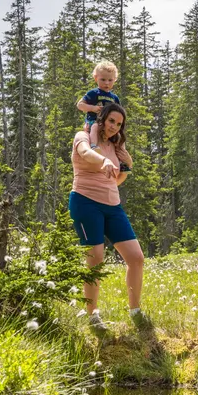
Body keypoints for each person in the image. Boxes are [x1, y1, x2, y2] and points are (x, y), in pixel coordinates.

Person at [68, 102, 147, 329]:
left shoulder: (115, 145)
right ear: (101, 118)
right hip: (85, 201)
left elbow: (121, 174)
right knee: (96, 260)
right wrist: (102, 160)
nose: (114, 126)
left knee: (136, 258)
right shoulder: (83, 136)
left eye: (119, 124)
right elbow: (84, 153)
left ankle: (135, 311)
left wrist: (121, 169)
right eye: (111, 120)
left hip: (113, 206)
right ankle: (93, 315)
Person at [77, 61, 130, 173]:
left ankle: (122, 160)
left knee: (120, 137)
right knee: (96, 126)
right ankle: (94, 147)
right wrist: (92, 108)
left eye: (110, 80)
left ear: (114, 80)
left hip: (108, 125)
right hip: (94, 121)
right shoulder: (93, 93)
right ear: (96, 78)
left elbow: (118, 112)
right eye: (103, 79)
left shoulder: (114, 98)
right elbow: (80, 105)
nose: (107, 83)